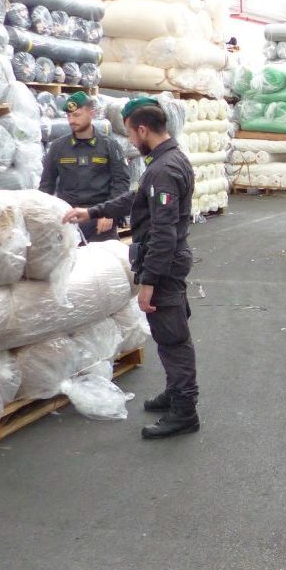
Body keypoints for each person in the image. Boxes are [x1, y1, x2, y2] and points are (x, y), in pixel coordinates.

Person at [63, 97, 200, 440]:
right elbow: (137, 199)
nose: (131, 142)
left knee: (173, 338)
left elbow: (164, 233)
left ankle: (185, 410)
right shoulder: (166, 161)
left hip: (163, 264)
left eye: (130, 133)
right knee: (170, 335)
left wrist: (149, 283)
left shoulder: (164, 170)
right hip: (165, 261)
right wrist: (91, 212)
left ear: (142, 130)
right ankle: (175, 392)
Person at [39, 91, 130, 242]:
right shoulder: (58, 147)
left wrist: (109, 213)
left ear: (91, 113)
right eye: (69, 116)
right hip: (68, 219)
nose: (71, 120)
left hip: (100, 219)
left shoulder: (109, 145)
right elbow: (46, 186)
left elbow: (121, 182)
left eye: (76, 115)